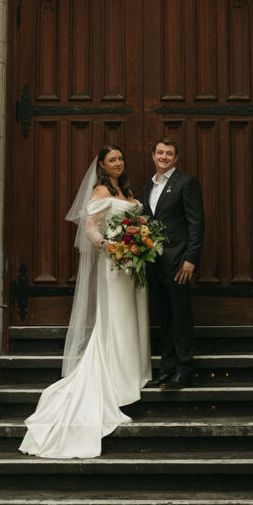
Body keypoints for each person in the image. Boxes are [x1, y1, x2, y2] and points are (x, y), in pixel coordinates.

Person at [19, 144, 152, 459]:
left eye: (121, 158)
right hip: (115, 263)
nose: (118, 162)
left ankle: (134, 370)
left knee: (133, 316)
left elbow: (138, 224)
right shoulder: (100, 190)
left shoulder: (128, 190)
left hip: (134, 264)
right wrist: (115, 247)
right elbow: (92, 229)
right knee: (117, 318)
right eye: (112, 160)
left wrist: (141, 243)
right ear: (103, 166)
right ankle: (117, 377)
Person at [142, 138, 205, 390]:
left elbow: (196, 223)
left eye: (169, 153)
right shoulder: (147, 187)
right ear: (153, 156)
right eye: (160, 152)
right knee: (164, 318)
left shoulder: (186, 183)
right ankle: (166, 370)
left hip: (179, 262)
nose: (164, 157)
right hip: (155, 264)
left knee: (180, 316)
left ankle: (184, 369)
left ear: (176, 158)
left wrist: (190, 260)